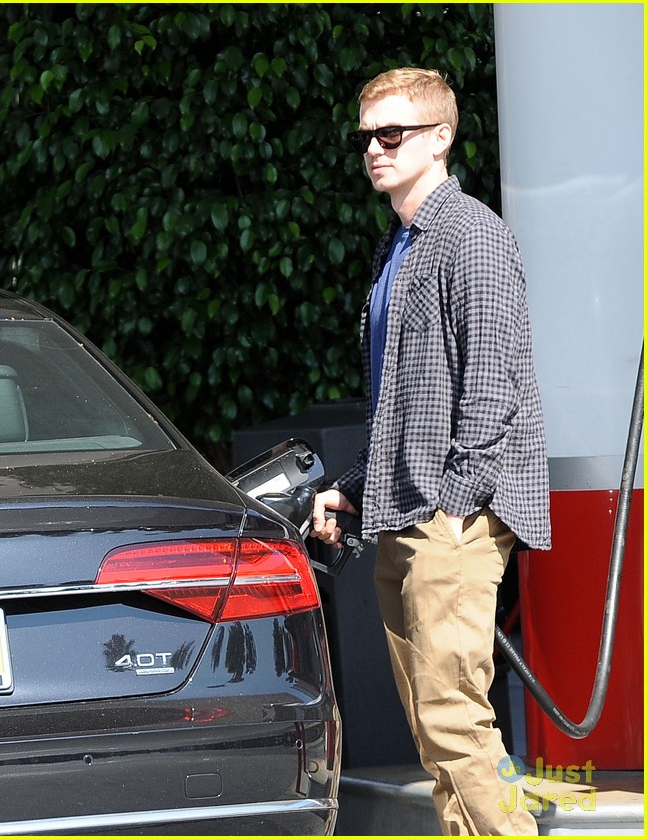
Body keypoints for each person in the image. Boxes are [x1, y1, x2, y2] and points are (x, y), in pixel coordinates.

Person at [312, 67, 551, 836]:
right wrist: (355, 485)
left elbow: (492, 384)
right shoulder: (401, 247)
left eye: (392, 134)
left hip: (453, 516)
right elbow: (404, 404)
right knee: (436, 729)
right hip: (407, 509)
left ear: (442, 136)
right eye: (365, 138)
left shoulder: (471, 234)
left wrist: (456, 503)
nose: (374, 151)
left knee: (455, 719)